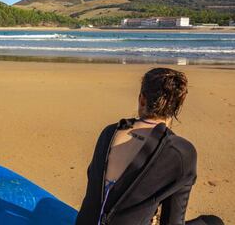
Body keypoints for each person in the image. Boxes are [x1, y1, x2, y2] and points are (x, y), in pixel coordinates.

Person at [76, 68, 224, 225]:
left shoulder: (109, 132)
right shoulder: (180, 152)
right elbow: (172, 221)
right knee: (213, 222)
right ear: (177, 106)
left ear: (142, 100)